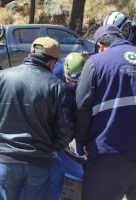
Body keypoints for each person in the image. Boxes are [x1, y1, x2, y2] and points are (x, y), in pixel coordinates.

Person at [75, 25, 136, 200]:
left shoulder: (95, 63)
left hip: (106, 154)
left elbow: (82, 106)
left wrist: (82, 141)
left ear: (100, 46)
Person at [0, 37, 75, 200]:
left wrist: (0, 141)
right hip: (39, 162)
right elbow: (65, 130)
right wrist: (51, 148)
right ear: (52, 63)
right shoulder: (58, 86)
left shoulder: (1, 77)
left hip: (6, 160)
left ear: (30, 54)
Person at [49, 52, 87, 200]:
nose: (71, 83)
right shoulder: (55, 72)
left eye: (75, 81)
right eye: (69, 80)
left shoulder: (87, 74)